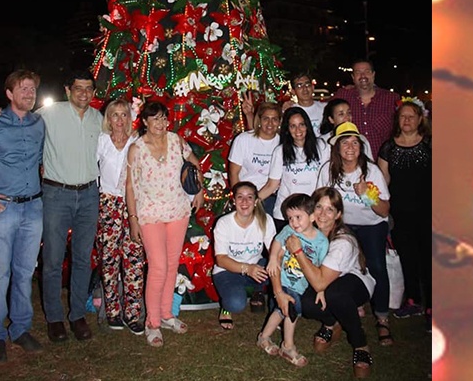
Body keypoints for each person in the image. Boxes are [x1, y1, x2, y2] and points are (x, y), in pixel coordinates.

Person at [125, 100, 205, 347]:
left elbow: (194, 162)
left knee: (171, 265)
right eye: (155, 118)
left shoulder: (176, 140)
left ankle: (167, 314)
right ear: (145, 122)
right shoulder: (137, 148)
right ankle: (153, 322)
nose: (160, 123)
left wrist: (199, 190)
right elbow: (130, 186)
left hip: (178, 211)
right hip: (150, 214)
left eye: (164, 118)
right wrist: (133, 219)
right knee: (158, 266)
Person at [38, 70, 103, 343]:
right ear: (68, 90)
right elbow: (18, 123)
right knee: (52, 260)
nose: (84, 94)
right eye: (78, 88)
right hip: (56, 194)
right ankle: (54, 318)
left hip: (89, 195)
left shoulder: (99, 119)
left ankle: (77, 315)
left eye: (89, 89)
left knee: (81, 259)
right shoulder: (47, 115)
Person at [0, 70, 47, 363]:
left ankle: (20, 328)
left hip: (33, 208)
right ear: (9, 94)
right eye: (23, 89)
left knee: (24, 273)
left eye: (32, 89)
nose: (29, 93)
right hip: (2, 209)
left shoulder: (39, 123)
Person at [287, 187, 377, 379]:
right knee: (303, 302)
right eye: (318, 207)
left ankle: (360, 344)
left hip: (354, 282)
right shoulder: (307, 230)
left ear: (338, 214)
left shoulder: (343, 241)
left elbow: (320, 283)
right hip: (324, 279)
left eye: (330, 209)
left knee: (335, 294)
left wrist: (298, 252)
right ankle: (332, 322)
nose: (322, 214)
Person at [316, 121, 392, 347]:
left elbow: (384, 210)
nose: (350, 147)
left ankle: (382, 317)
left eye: (355, 142)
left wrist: (366, 193)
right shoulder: (328, 170)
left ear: (361, 146)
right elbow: (320, 203)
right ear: (337, 147)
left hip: (371, 225)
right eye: (345, 142)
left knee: (377, 267)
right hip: (342, 227)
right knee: (337, 268)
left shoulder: (371, 171)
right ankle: (346, 308)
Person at [377, 97, 431, 327]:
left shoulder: (430, 144)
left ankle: (432, 307)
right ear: (397, 120)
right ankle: (413, 300)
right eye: (403, 116)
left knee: (429, 260)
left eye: (411, 116)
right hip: (401, 213)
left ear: (420, 119)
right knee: (407, 257)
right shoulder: (388, 147)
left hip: (429, 211)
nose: (407, 120)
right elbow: (383, 181)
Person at [258, 194, 329, 368]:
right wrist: (273, 258)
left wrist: (321, 290)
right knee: (291, 307)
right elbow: (277, 241)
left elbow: (321, 269)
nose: (294, 222)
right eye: (290, 218)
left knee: (280, 311)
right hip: (283, 279)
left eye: (298, 217)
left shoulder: (321, 242)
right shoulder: (289, 231)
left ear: (312, 216)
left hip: (300, 284)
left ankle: (264, 337)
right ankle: (288, 347)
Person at [95, 98, 145, 335]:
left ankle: (133, 314)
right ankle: (113, 310)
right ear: (108, 118)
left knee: (134, 259)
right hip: (108, 205)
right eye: (114, 115)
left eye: (124, 114)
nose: (119, 120)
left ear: (130, 117)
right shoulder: (102, 141)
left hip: (133, 205)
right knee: (109, 260)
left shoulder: (137, 142)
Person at [211, 181, 276, 329]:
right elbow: (221, 260)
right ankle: (226, 307)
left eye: (249, 197)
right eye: (240, 197)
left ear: (256, 201)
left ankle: (274, 309)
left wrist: (273, 262)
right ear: (234, 201)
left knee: (278, 266)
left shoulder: (265, 220)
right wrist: (247, 268)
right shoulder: (224, 223)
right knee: (236, 303)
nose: (245, 202)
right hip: (228, 271)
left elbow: (274, 250)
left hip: (255, 267)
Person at [258, 106, 329, 233]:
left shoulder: (322, 147)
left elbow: (327, 181)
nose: (298, 130)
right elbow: (271, 185)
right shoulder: (280, 151)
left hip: (313, 214)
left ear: (307, 125)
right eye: (293, 126)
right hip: (286, 215)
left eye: (301, 124)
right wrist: (253, 201)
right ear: (287, 129)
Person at [333, 58, 400, 151]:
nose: (363, 76)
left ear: (373, 74)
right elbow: (321, 108)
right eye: (358, 72)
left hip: (383, 160)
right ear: (353, 77)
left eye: (367, 71)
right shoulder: (343, 95)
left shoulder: (391, 99)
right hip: (352, 160)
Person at [228, 102, 281, 215]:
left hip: (272, 197)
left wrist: (258, 200)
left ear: (279, 122)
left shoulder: (283, 142)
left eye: (274, 119)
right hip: (246, 197)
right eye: (266, 118)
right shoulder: (243, 140)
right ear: (259, 120)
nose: (270, 123)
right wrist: (240, 199)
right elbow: (233, 173)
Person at [282, 71, 326, 136]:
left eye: (307, 84)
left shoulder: (325, 108)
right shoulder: (290, 111)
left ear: (313, 87)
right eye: (299, 86)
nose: (304, 88)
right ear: (293, 91)